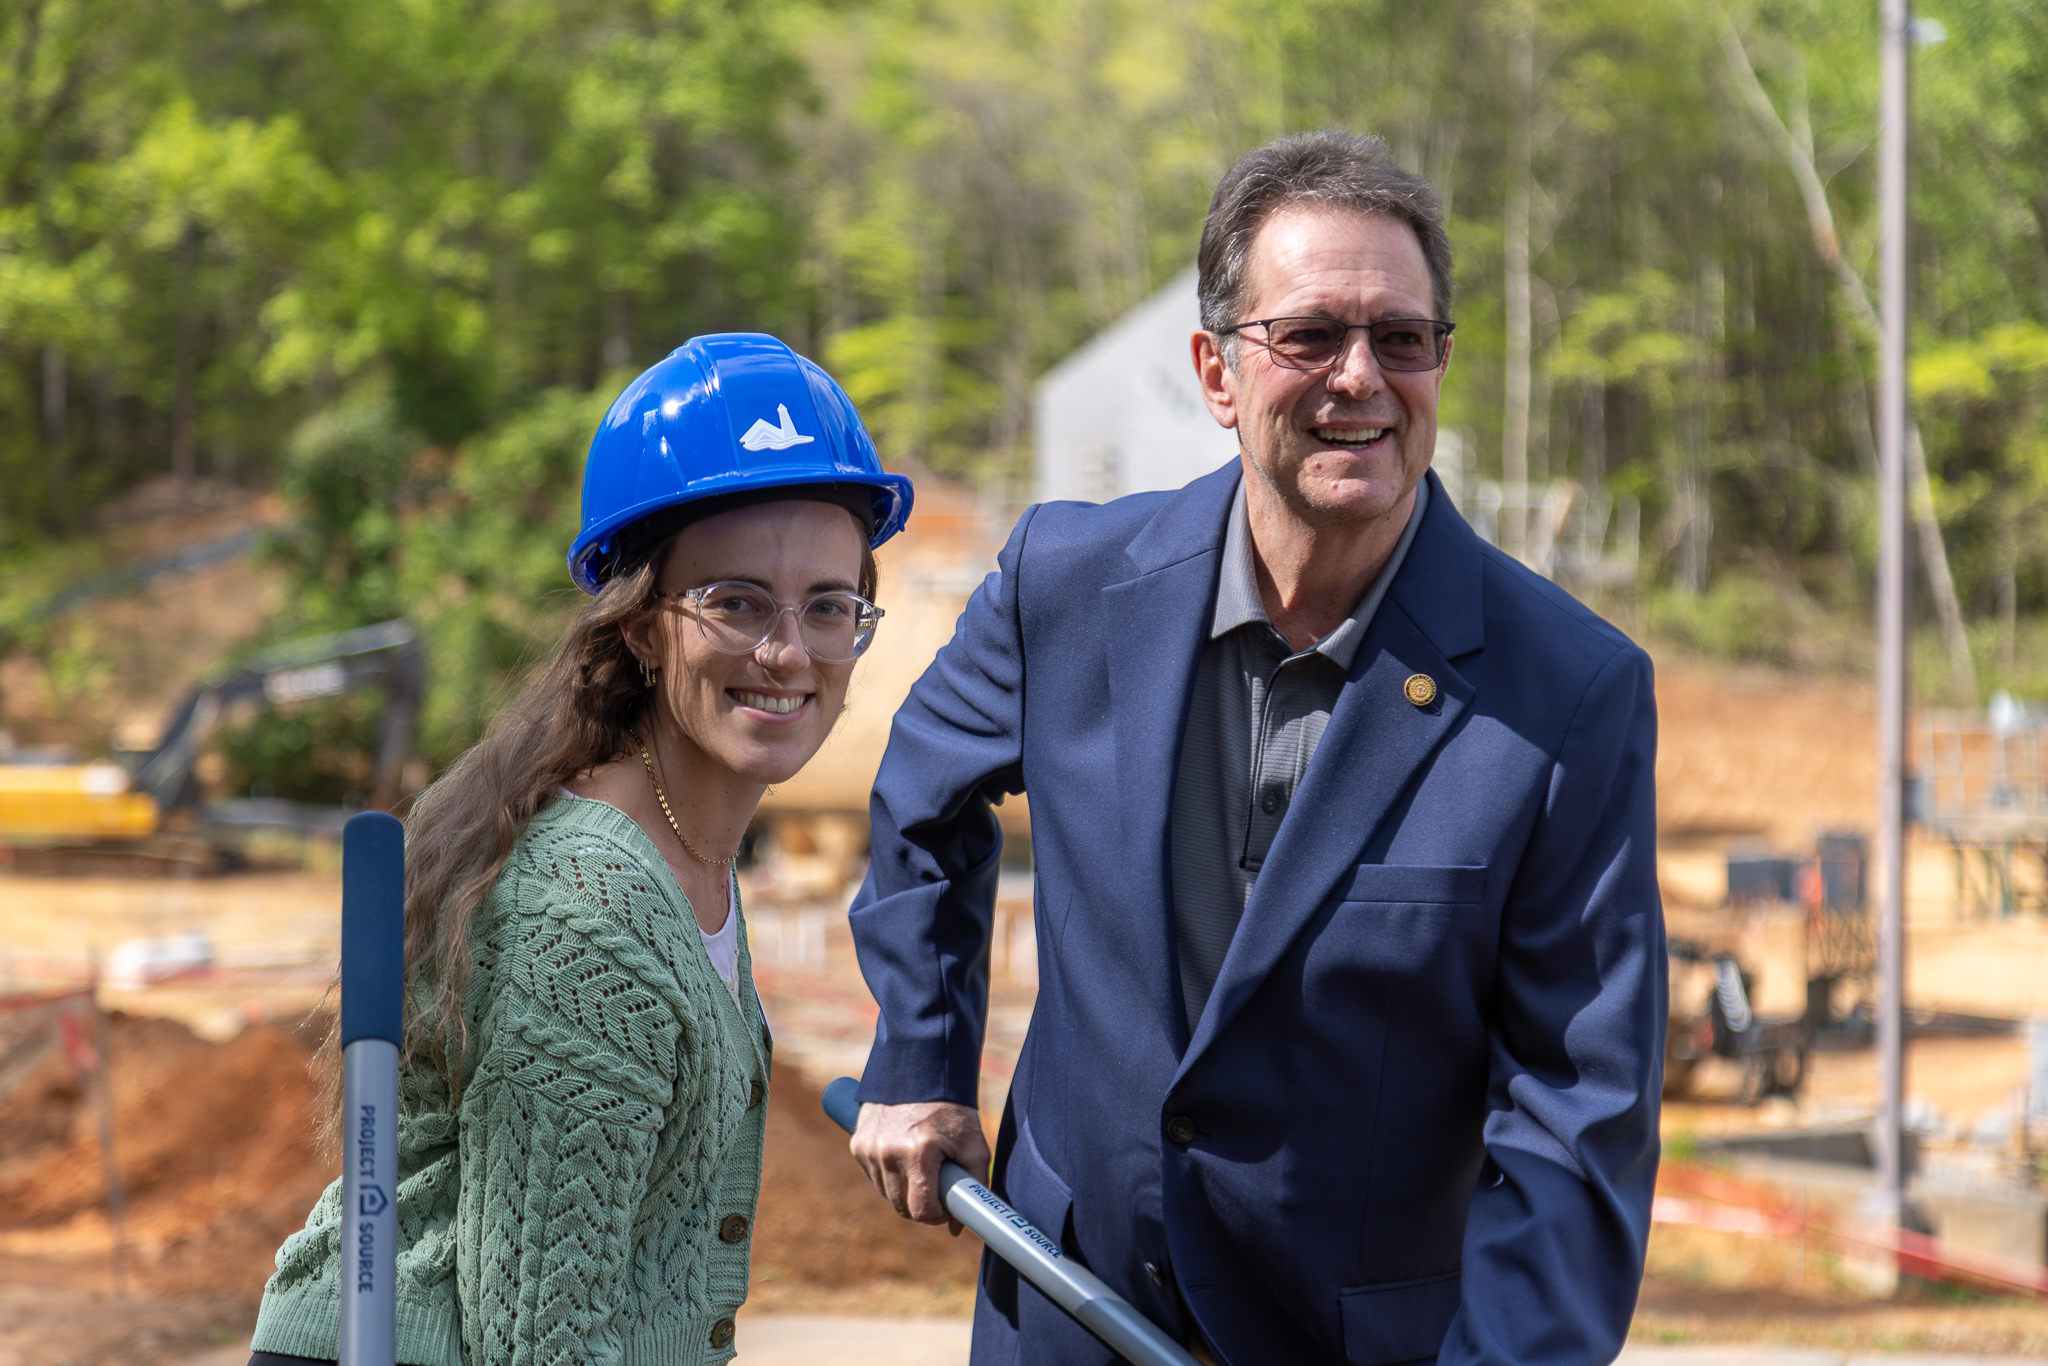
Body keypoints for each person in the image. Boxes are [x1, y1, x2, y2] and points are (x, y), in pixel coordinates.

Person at [846, 131, 1663, 1366]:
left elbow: (1574, 1122)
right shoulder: (1057, 584)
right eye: (1308, 337)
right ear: (1216, 371)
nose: (1360, 378)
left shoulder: (1570, 694)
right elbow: (920, 791)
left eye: (1401, 338)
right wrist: (919, 1056)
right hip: (1065, 1308)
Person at [249, 333, 913, 1366]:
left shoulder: (686, 849)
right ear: (643, 625)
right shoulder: (589, 907)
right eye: (734, 601)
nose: (788, 650)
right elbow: (541, 1334)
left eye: (828, 605)